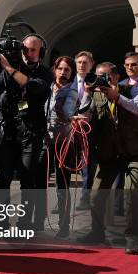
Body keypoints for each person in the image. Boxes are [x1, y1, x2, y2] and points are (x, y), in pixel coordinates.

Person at [77, 60, 138, 254]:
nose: (103, 80)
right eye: (99, 76)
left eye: (107, 77)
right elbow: (86, 116)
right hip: (109, 153)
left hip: (134, 152)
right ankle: (97, 233)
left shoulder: (131, 90)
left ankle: (131, 237)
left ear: (116, 77)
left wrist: (118, 97)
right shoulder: (96, 96)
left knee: (131, 193)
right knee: (96, 194)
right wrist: (86, 95)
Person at [0, 34, 52, 229]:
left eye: (33, 50)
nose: (28, 53)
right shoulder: (9, 70)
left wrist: (9, 68)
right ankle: (2, 222)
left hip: (31, 132)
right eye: (25, 49)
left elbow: (30, 87)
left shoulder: (44, 73)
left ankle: (24, 222)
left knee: (27, 178)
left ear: (41, 52)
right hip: (8, 131)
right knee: (3, 178)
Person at [46, 56, 79, 238]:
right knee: (36, 182)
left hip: (63, 142)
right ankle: (35, 221)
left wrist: (61, 107)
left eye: (67, 70)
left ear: (71, 73)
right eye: (60, 69)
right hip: (45, 141)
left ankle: (63, 225)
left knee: (62, 184)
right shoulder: (47, 88)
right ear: (55, 70)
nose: (63, 72)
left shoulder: (71, 91)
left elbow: (68, 112)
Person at [73, 51, 96, 210]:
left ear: (91, 65)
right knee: (64, 164)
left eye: (85, 62)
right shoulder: (67, 81)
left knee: (86, 164)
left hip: (88, 129)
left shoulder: (96, 82)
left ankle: (85, 198)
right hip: (68, 129)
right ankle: (62, 199)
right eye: (79, 62)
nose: (82, 65)